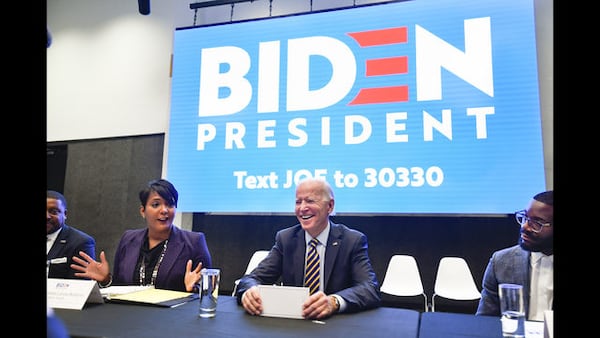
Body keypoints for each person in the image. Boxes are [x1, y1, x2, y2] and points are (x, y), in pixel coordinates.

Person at [236, 178, 381, 319]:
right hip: (295, 324)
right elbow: (251, 279)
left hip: (336, 325)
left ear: (330, 206)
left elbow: (369, 288)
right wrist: (250, 291)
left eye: (310, 201)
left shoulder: (351, 240)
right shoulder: (286, 239)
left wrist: (334, 302)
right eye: (298, 202)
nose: (302, 208)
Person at [71, 179, 212, 292]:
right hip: (131, 318)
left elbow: (208, 291)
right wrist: (106, 280)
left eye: (170, 204)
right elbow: (120, 288)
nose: (164, 210)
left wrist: (193, 290)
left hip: (172, 320)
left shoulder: (194, 242)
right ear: (143, 211)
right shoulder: (128, 239)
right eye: (156, 204)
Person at [476, 190, 553, 321]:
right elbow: (484, 322)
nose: (525, 227)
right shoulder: (501, 262)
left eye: (537, 223)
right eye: (525, 218)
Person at [47, 190, 96, 279]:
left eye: (53, 212)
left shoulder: (81, 242)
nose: (47, 216)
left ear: (65, 214)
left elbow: (79, 286)